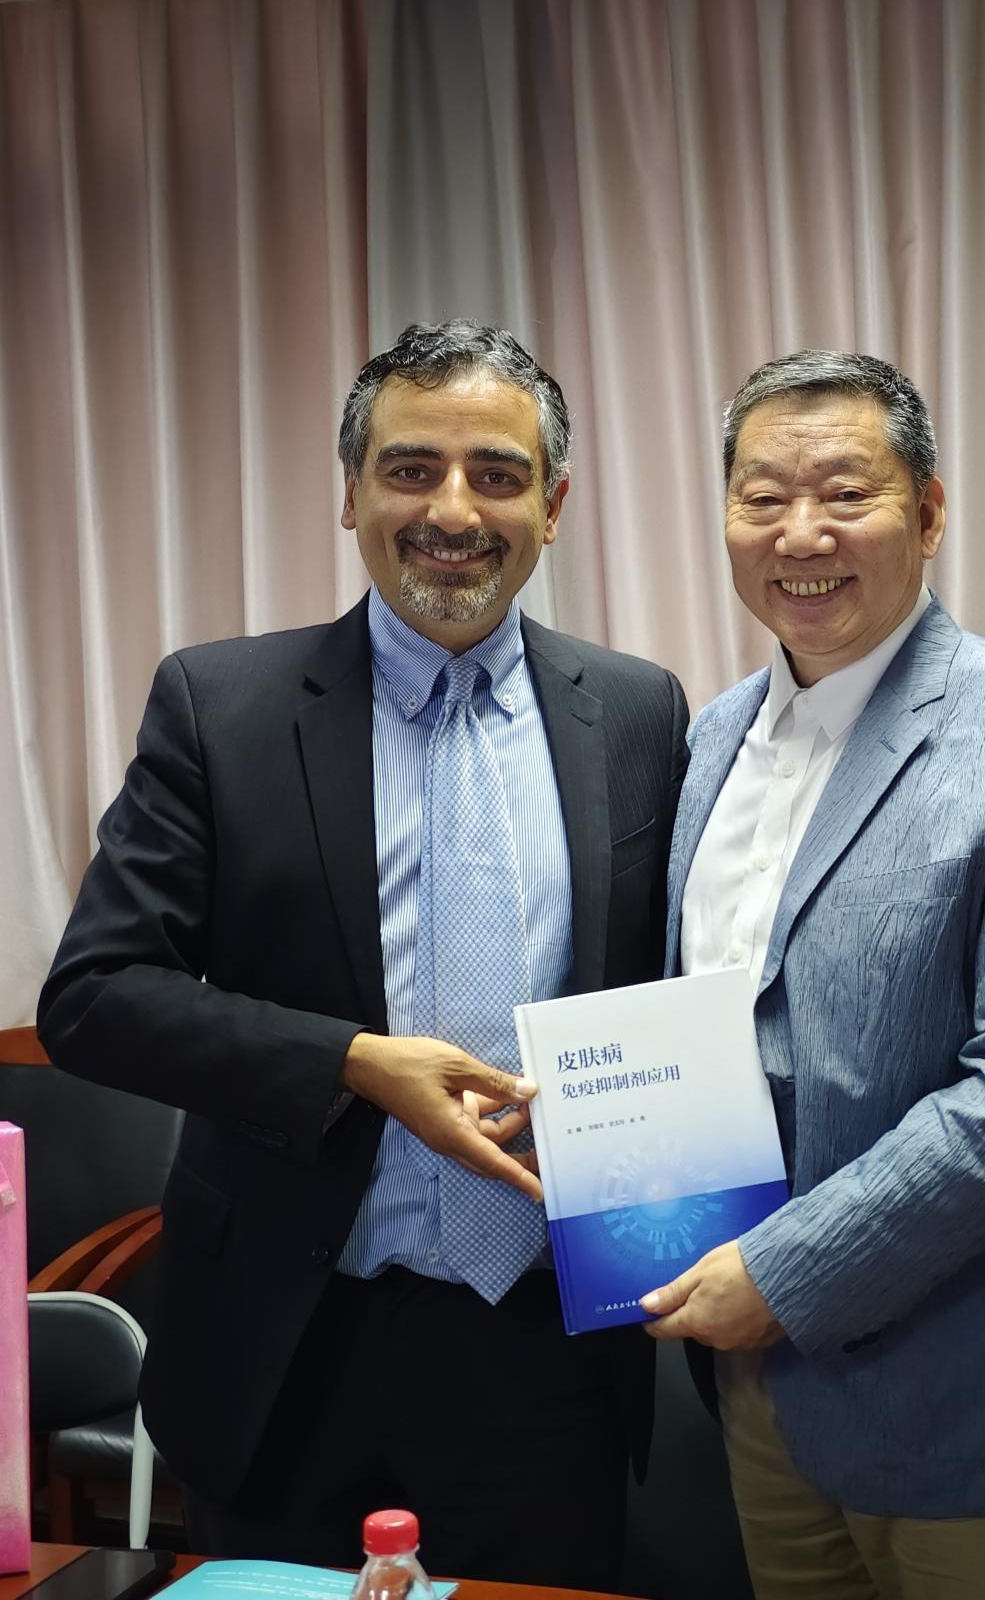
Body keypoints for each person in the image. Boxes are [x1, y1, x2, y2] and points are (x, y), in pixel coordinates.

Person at [37, 320, 689, 1590]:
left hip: (543, 1345)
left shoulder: (636, 710)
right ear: (350, 493)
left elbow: (660, 987)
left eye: (496, 474)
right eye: (411, 468)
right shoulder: (223, 706)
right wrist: (349, 1062)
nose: (452, 510)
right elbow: (94, 996)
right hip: (287, 1336)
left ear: (553, 508)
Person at [639, 349, 985, 1600]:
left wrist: (784, 1275)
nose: (801, 534)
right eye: (762, 496)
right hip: (760, 1399)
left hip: (977, 1399)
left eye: (846, 492)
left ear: (930, 511)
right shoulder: (710, 738)